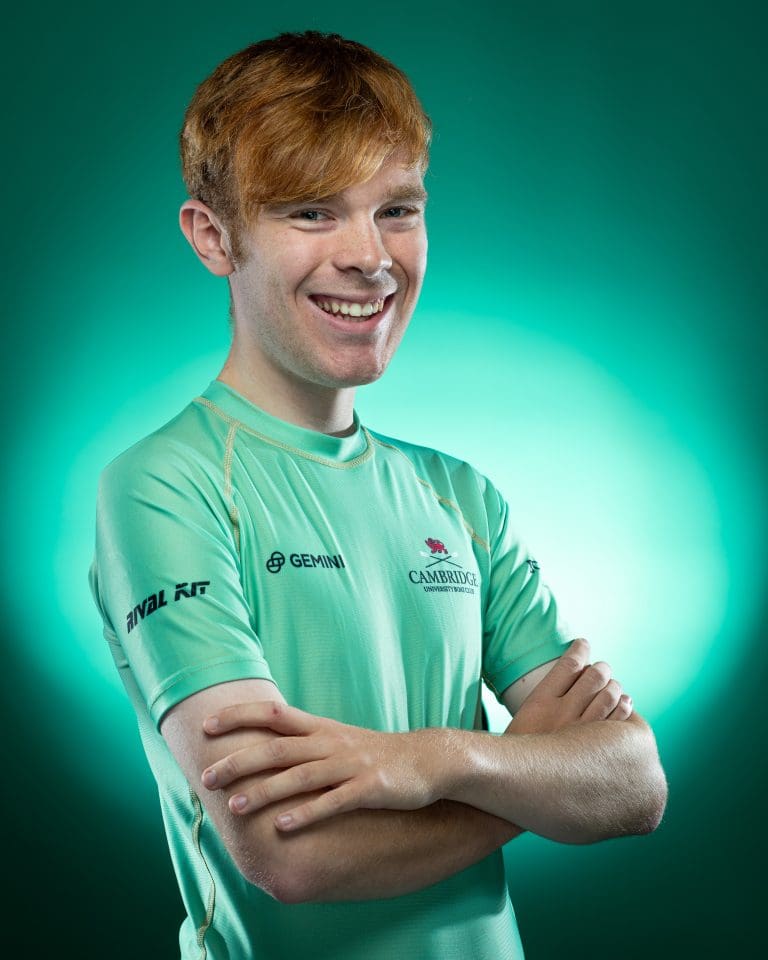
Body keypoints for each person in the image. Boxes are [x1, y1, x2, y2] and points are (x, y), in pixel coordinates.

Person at [88, 30, 667, 960]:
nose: (371, 256)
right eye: (312, 212)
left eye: (397, 208)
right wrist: (528, 774)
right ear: (213, 237)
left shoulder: (460, 495)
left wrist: (427, 761)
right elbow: (293, 852)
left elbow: (635, 783)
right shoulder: (164, 486)